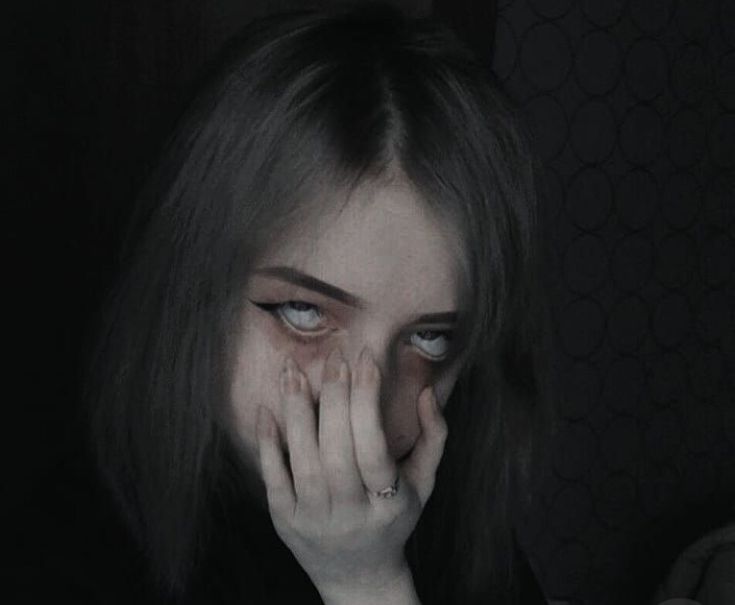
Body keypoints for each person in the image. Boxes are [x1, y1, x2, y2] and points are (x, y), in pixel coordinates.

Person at [9, 3, 552, 604]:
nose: (364, 415)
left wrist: (368, 584)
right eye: (305, 313)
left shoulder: (451, 526)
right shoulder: (65, 561)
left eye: (429, 338)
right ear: (196, 297)